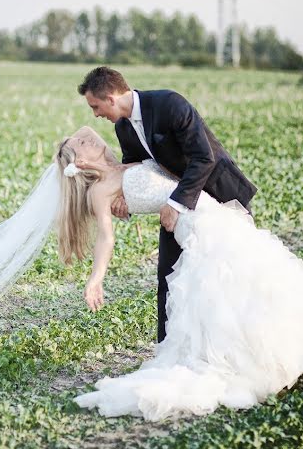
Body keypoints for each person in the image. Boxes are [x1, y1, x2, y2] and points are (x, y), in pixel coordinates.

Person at [54, 126, 303, 420]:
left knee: (250, 280)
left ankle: (278, 352)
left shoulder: (124, 165)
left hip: (211, 212)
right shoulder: (100, 191)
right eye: (80, 142)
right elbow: (106, 238)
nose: (88, 136)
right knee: (226, 289)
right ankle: (246, 363)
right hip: (196, 228)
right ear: (79, 163)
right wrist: (96, 278)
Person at [78, 66, 257, 343]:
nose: (96, 114)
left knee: (231, 272)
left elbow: (203, 158)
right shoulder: (123, 128)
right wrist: (122, 202)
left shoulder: (169, 104)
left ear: (111, 97)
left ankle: (241, 340)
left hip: (218, 197)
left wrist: (175, 203)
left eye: (96, 106)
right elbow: (137, 170)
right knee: (169, 278)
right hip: (177, 210)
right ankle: (170, 349)